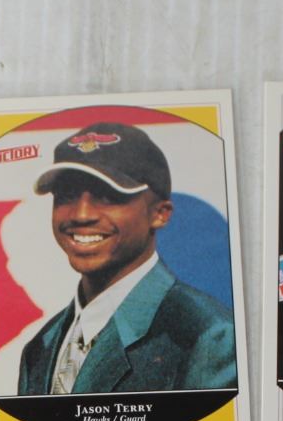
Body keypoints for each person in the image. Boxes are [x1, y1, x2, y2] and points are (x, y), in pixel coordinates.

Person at [15, 123, 237, 396]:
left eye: (108, 196)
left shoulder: (209, 336)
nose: (81, 214)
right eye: (66, 196)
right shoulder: (41, 346)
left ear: (160, 213)